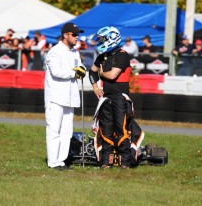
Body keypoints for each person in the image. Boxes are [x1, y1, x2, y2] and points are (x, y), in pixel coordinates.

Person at [89, 26, 144, 169]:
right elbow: (92, 71)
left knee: (122, 130)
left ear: (111, 38)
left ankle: (124, 161)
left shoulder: (122, 55)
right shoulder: (102, 56)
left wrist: (101, 73)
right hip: (106, 98)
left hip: (120, 98)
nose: (100, 42)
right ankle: (106, 161)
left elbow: (112, 75)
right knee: (106, 129)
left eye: (102, 39)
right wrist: (95, 87)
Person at [44, 22, 86, 170]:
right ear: (65, 35)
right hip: (56, 97)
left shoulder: (74, 52)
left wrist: (82, 70)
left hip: (71, 98)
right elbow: (56, 72)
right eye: (74, 34)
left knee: (67, 132)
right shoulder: (54, 52)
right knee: (54, 130)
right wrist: (74, 72)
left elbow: (80, 67)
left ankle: (61, 161)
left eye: (78, 34)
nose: (77, 37)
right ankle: (53, 162)